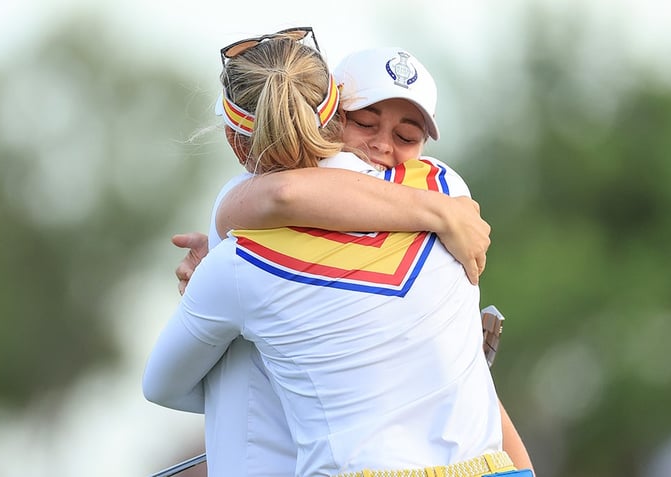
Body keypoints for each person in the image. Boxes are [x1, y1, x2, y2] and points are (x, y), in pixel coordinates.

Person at [143, 28, 533, 476]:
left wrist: (220, 306)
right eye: (366, 124)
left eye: (405, 135)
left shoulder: (236, 258)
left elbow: (163, 387)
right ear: (332, 117)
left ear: (236, 143)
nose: (384, 147)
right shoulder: (446, 189)